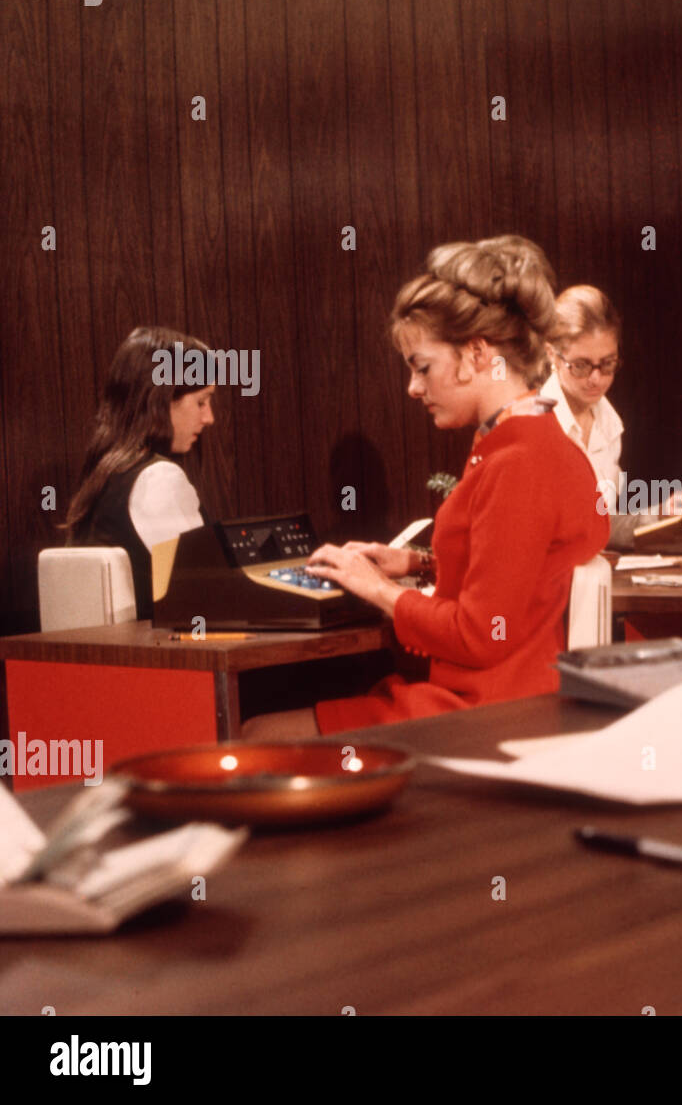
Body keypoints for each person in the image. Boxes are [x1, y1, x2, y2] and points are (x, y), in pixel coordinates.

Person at [242, 236, 608, 738]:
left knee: (256, 732)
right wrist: (419, 565)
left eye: (422, 367)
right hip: (513, 697)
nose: (413, 388)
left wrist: (379, 589)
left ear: (477, 354)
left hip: (485, 711)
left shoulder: (517, 463)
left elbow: (481, 635)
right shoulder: (546, 444)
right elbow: (524, 569)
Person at [64, 326, 214, 620]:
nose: (209, 417)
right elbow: (208, 593)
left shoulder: (106, 473)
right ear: (162, 398)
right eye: (201, 401)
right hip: (160, 661)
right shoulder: (158, 480)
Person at [540, 284, 682, 548]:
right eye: (581, 366)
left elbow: (599, 523)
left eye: (607, 364)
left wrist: (658, 517)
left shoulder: (608, 425)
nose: (596, 379)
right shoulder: (536, 423)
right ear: (551, 353)